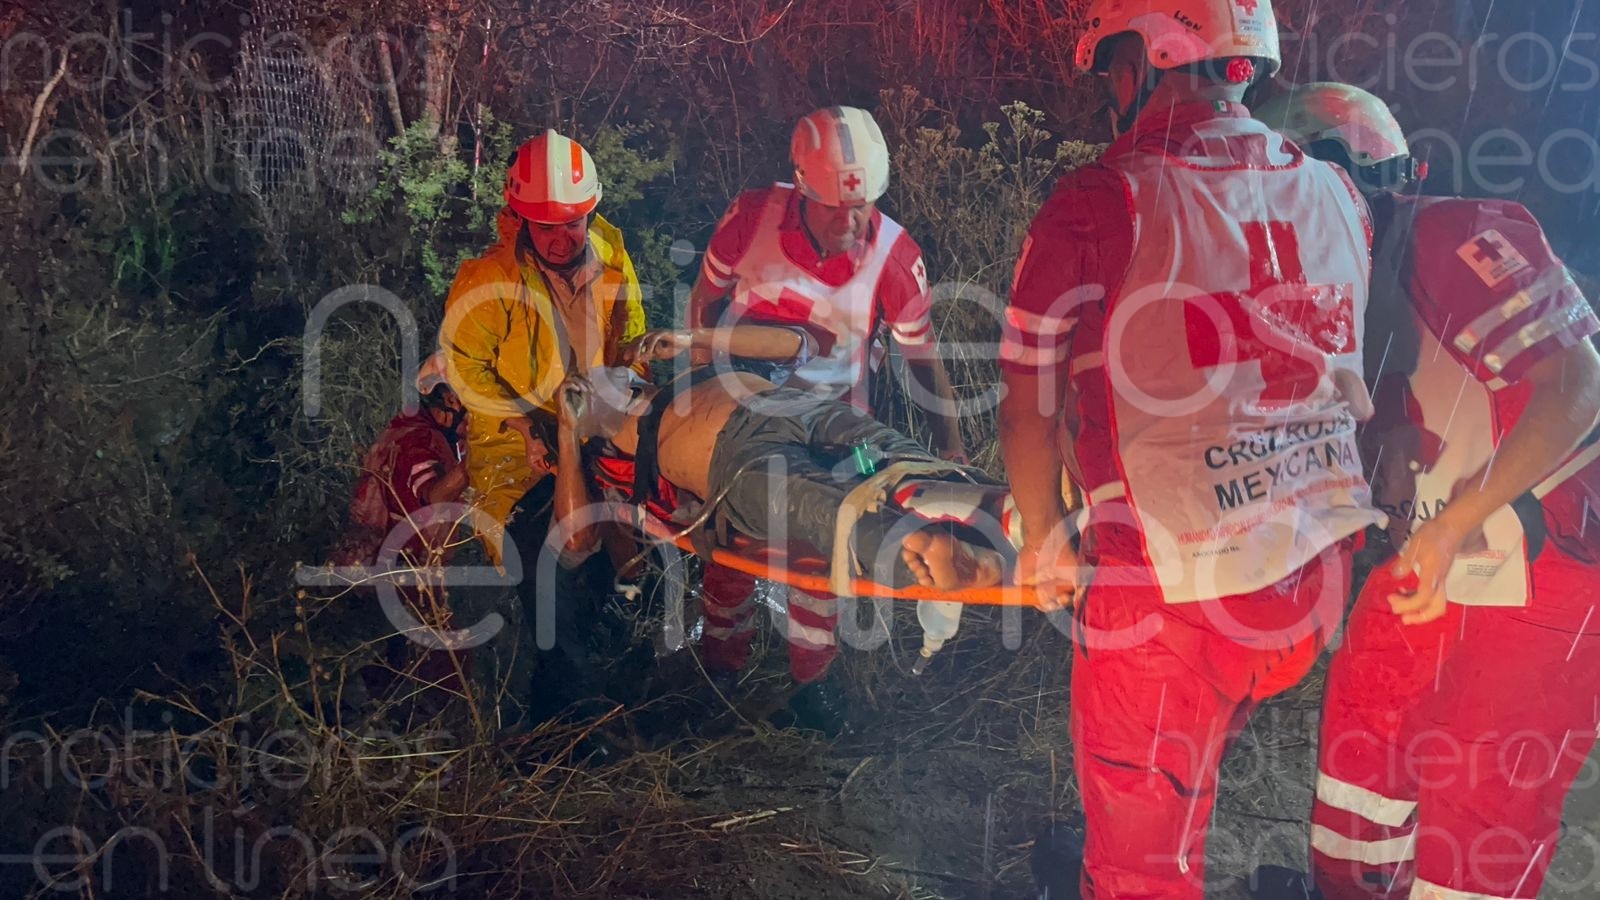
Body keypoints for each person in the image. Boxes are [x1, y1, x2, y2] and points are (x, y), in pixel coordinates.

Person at [1001, 2, 1382, 895]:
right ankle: (1165, 818)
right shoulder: (1342, 194)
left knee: (1143, 865)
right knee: (1194, 750)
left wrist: (1043, 536)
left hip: (1177, 601)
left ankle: (1143, 855)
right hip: (1313, 574)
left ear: (1151, 54)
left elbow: (1025, 408)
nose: (1108, 87)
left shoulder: (1101, 199)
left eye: (1112, 64)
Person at [1255, 83, 1600, 900]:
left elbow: (1577, 382)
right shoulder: (1325, 284)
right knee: (1363, 749)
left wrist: (1463, 521)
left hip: (1545, 558)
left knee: (1480, 807)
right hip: (1436, 553)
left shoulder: (1452, 231)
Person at [685, 105, 968, 717]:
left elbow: (924, 357)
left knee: (820, 550)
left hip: (835, 418)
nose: (852, 221)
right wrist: (696, 392)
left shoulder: (893, 256)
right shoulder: (751, 221)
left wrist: (951, 445)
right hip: (743, 410)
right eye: (836, 209)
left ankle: (813, 686)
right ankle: (719, 671)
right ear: (801, 190)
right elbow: (704, 303)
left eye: (862, 206)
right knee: (730, 537)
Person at [546, 365, 1007, 602]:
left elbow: (790, 344)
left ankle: (983, 504)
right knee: (823, 504)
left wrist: (693, 339)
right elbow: (576, 541)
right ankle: (930, 556)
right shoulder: (607, 458)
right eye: (574, 389)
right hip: (739, 463)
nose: (585, 379)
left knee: (881, 453)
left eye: (589, 375)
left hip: (787, 406)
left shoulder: (678, 372)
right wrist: (567, 434)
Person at [441, 128, 646, 566]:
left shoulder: (612, 259)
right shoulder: (491, 280)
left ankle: (635, 604)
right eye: (546, 227)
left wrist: (636, 370)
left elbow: (630, 343)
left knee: (640, 541)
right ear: (521, 219)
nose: (560, 239)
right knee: (542, 562)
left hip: (600, 428)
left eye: (572, 224)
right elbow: (464, 369)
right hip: (517, 455)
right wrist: (525, 427)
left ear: (589, 213)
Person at [334, 351, 472, 699]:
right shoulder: (417, 440)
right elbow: (432, 495)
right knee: (446, 667)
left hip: (397, 572)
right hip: (402, 572)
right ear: (450, 399)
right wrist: (475, 463)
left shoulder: (416, 431)